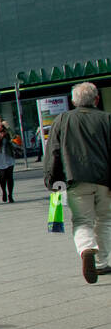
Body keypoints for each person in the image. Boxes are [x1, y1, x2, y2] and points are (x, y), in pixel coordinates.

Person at [43, 81, 111, 283]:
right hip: (105, 181)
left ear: (73, 101)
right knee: (105, 219)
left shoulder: (62, 120)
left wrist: (53, 181)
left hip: (75, 179)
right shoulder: (107, 119)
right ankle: (101, 262)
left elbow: (53, 152)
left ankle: (86, 248)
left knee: (82, 220)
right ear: (96, 99)